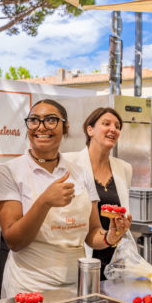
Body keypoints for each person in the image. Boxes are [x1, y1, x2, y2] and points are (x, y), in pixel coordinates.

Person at [0, 100, 131, 297]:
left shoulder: (81, 173)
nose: (41, 127)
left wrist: (110, 236)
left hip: (75, 285)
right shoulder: (9, 172)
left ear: (65, 127)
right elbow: (14, 241)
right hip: (29, 287)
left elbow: (92, 233)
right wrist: (44, 202)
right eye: (34, 120)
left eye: (51, 120)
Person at [63, 107, 132, 280]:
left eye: (117, 126)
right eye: (106, 123)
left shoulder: (124, 168)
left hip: (115, 257)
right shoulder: (70, 162)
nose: (113, 129)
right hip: (83, 255)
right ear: (90, 129)